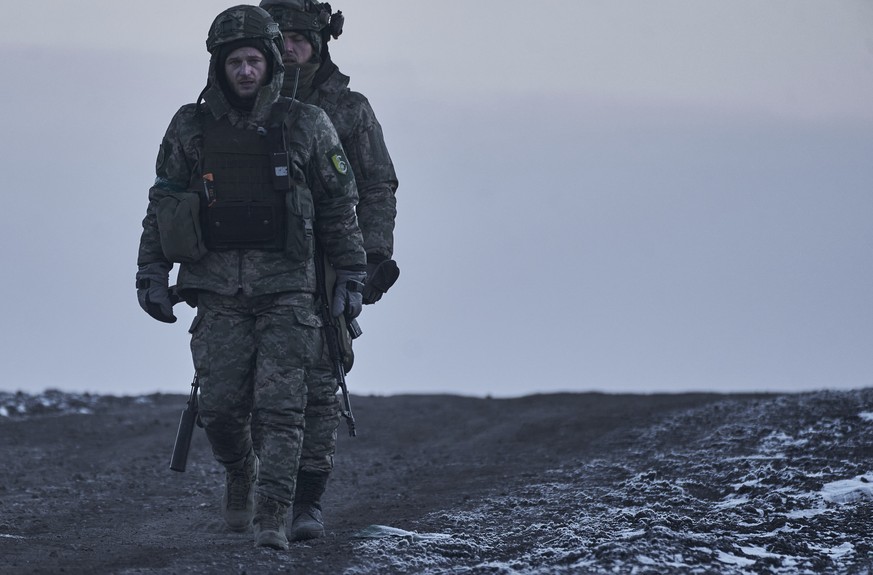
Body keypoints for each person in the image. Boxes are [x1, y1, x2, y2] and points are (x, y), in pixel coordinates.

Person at [135, 5, 366, 550]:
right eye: (235, 61)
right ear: (219, 65)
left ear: (269, 64)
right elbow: (163, 204)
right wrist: (150, 272)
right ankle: (241, 472)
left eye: (254, 60)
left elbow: (341, 206)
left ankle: (272, 518)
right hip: (216, 291)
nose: (245, 71)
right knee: (218, 409)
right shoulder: (190, 126)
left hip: (289, 291)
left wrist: (351, 276)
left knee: (283, 411)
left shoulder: (308, 123)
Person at [258, 0, 400, 542]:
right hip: (259, 266)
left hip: (325, 265)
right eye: (281, 37)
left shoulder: (349, 109)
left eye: (300, 37)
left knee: (320, 385)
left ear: (320, 41)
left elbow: (376, 186)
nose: (289, 47)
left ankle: (307, 502)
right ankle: (257, 483)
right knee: (252, 387)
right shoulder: (245, 103)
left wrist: (368, 261)